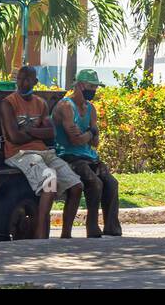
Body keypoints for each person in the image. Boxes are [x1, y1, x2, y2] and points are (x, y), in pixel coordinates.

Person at [0, 65, 83, 239]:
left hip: (43, 152)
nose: (22, 83)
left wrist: (29, 132)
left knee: (76, 186)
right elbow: (14, 137)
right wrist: (36, 133)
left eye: (27, 79)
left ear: (35, 82)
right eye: (20, 79)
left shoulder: (41, 104)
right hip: (20, 154)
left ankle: (66, 234)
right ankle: (40, 230)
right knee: (50, 181)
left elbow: (51, 134)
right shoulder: (8, 103)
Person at [52, 68, 122, 238]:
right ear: (81, 85)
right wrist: (90, 133)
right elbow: (75, 140)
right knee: (95, 183)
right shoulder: (66, 106)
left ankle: (112, 227)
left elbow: (95, 142)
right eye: (92, 86)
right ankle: (92, 226)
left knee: (111, 183)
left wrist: (88, 135)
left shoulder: (91, 108)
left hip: (89, 156)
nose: (95, 90)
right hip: (69, 156)